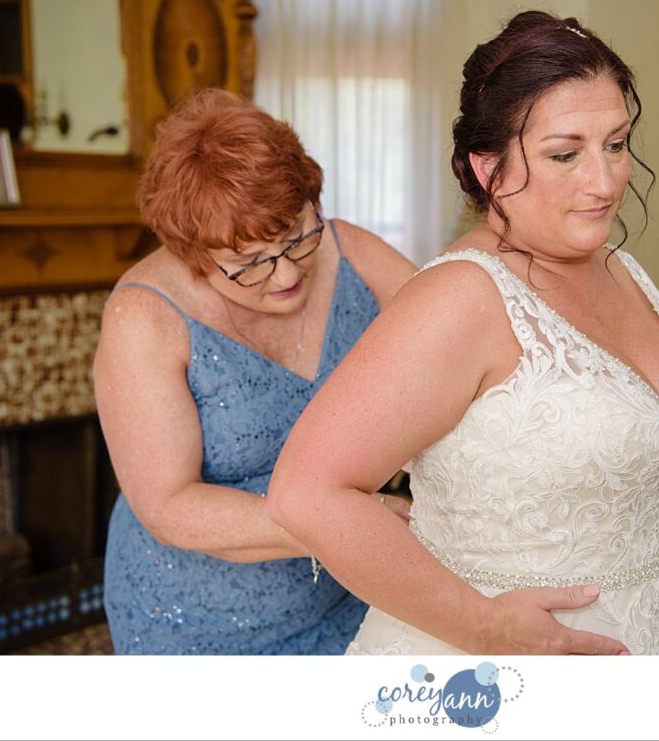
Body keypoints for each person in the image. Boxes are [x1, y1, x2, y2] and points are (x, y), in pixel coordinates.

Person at [267, 11, 659, 655]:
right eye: (564, 154)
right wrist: (488, 627)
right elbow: (305, 493)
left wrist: (638, 518)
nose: (605, 183)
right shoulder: (462, 297)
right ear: (488, 170)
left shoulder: (620, 267)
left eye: (617, 143)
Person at [94, 89, 417, 654]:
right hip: (194, 625)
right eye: (249, 264)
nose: (288, 273)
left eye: (297, 236)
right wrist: (363, 519)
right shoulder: (144, 318)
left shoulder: (352, 254)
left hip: (345, 597)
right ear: (193, 257)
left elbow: (455, 347)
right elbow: (172, 507)